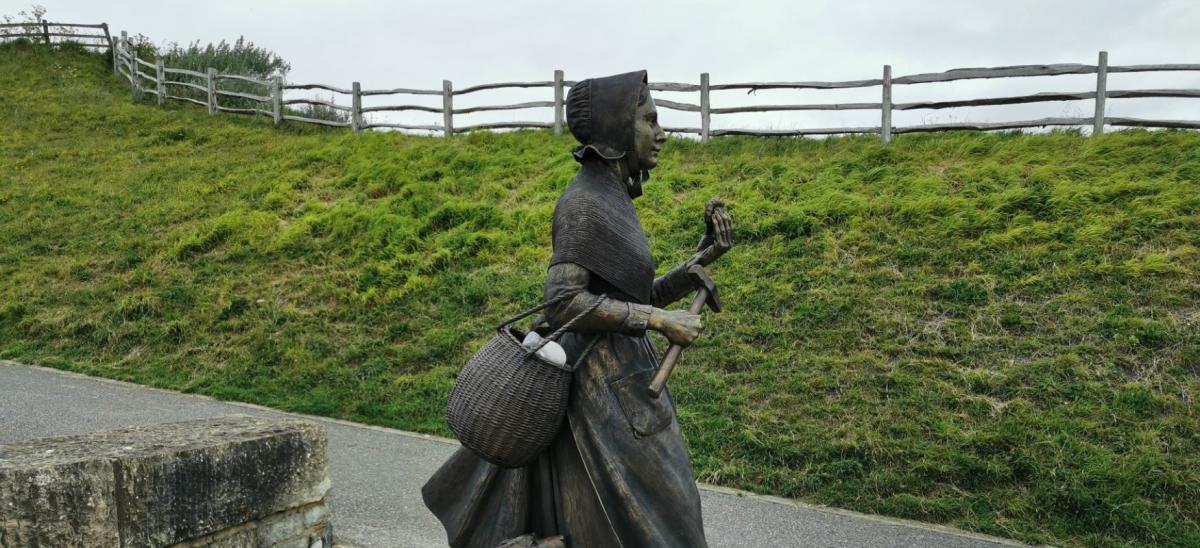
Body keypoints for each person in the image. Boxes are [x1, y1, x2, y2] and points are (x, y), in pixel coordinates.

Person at [422, 70, 734, 548]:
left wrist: (700, 260)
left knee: (664, 519)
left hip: (625, 385)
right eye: (650, 120)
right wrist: (657, 321)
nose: (662, 133)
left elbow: (633, 294)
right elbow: (563, 300)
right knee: (665, 524)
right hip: (599, 397)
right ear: (614, 128)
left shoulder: (611, 198)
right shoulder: (584, 203)